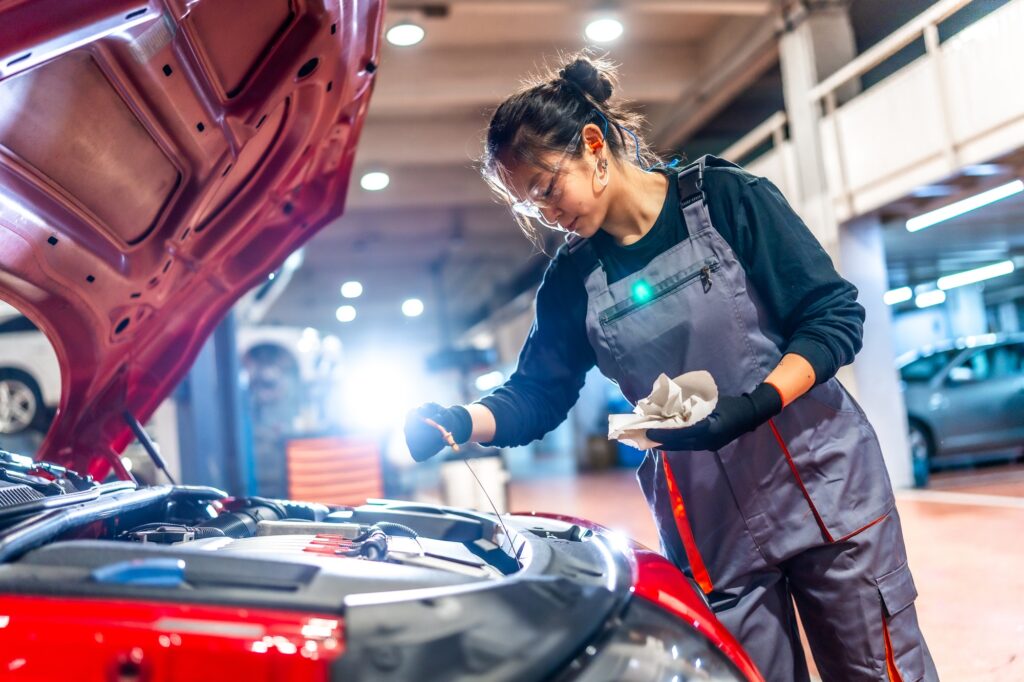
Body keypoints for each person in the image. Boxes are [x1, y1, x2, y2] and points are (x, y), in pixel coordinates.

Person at [403, 54, 937, 681]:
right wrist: (458, 420)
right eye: (530, 206)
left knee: (878, 670)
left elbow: (832, 318)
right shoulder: (573, 280)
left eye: (547, 188)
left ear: (594, 146)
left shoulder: (728, 199)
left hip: (824, 488)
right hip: (710, 523)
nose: (547, 212)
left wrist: (755, 404)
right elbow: (537, 395)